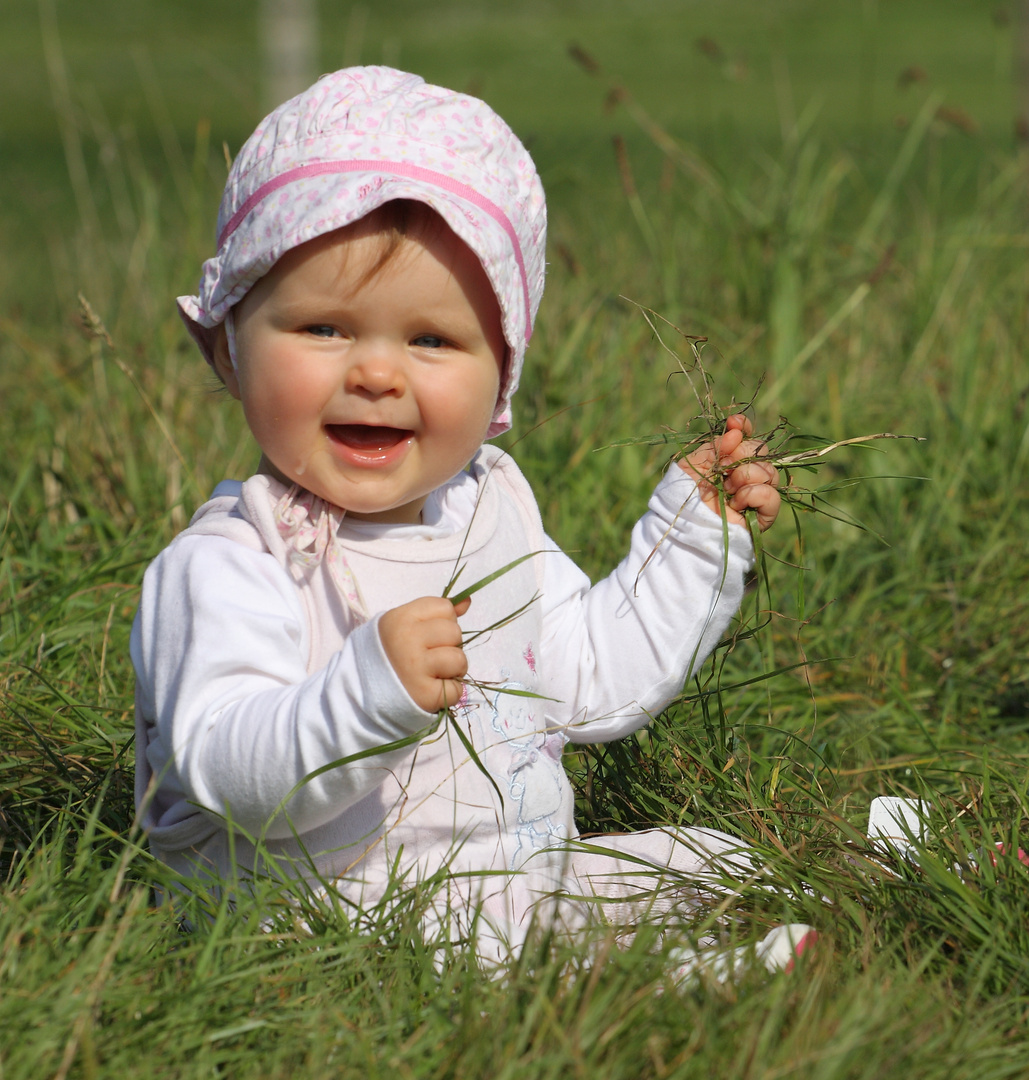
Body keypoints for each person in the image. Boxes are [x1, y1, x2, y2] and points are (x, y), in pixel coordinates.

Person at [131, 66, 812, 969]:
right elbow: (226, 769)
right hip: (326, 917)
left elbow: (594, 678)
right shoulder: (234, 562)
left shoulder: (490, 513)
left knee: (718, 861)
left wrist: (692, 532)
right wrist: (369, 693)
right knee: (518, 960)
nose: (376, 373)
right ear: (227, 345)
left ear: (501, 376)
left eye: (430, 340)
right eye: (324, 329)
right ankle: (710, 986)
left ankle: (912, 873)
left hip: (513, 877)